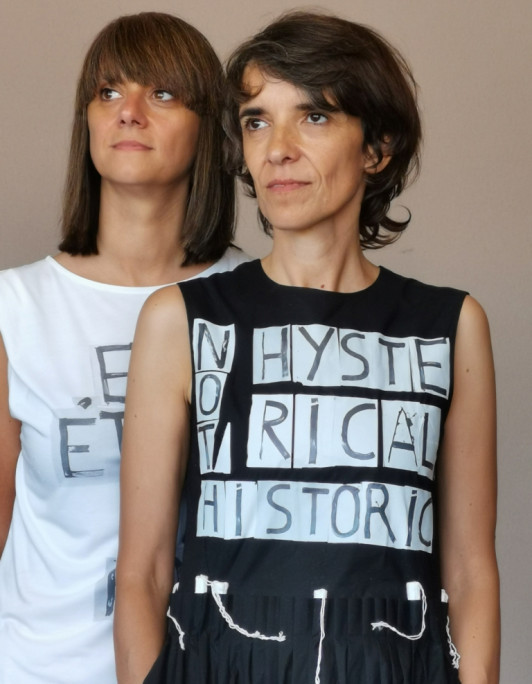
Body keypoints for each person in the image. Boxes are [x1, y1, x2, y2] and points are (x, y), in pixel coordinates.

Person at [115, 10, 499, 684]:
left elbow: (469, 572)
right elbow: (142, 573)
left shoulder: (449, 325)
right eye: (257, 121)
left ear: (377, 147)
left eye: (314, 116)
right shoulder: (180, 320)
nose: (278, 149)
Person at [0, 12, 248, 684]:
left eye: (162, 93)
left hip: (216, 663)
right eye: (108, 91)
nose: (129, 111)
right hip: (40, 667)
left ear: (210, 129)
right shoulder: (15, 308)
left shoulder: (255, 299)